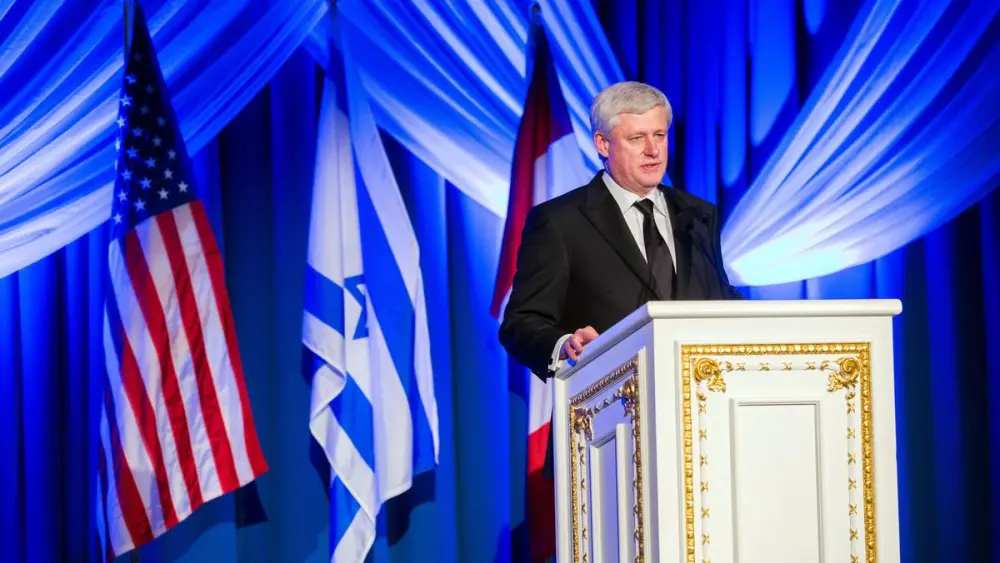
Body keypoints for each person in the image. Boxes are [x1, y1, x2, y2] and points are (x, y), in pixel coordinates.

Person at [499, 81, 744, 378]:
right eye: (637, 138)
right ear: (603, 144)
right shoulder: (560, 221)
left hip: (699, 401)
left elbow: (721, 301)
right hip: (608, 405)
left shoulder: (699, 215)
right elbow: (521, 322)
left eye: (660, 135)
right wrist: (565, 344)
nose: (653, 150)